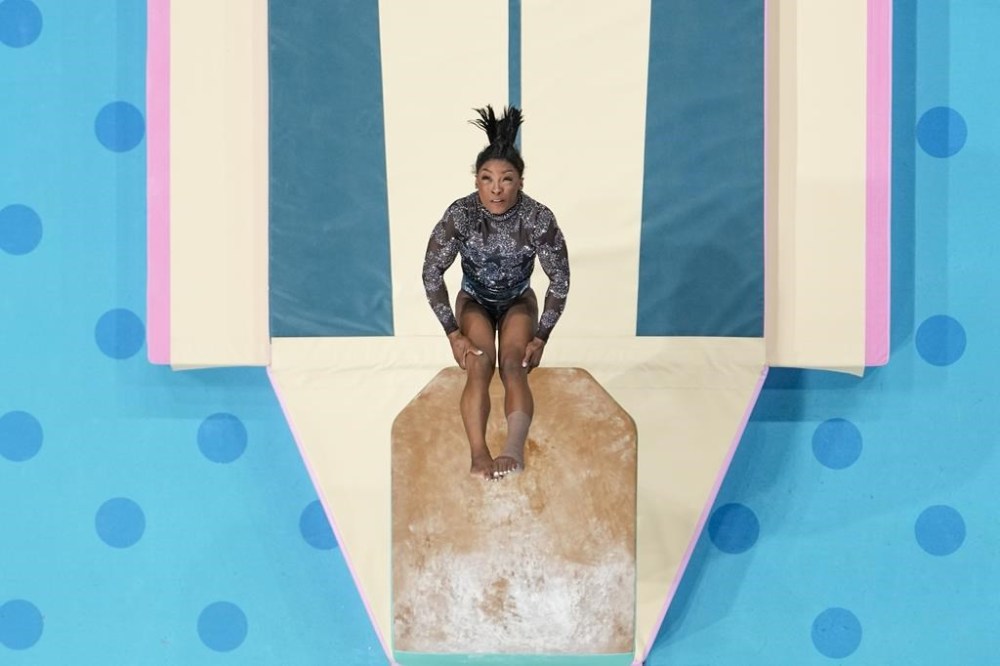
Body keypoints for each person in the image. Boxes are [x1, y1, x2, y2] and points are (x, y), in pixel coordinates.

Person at [422, 105, 570, 480]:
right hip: (475, 300)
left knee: (514, 364)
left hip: (518, 300)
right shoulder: (461, 215)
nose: (497, 189)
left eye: (507, 179)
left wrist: (541, 337)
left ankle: (513, 451)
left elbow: (560, 278)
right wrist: (453, 333)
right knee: (479, 363)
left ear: (520, 181)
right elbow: (431, 272)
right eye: (487, 179)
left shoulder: (537, 218)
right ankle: (478, 455)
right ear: (476, 181)